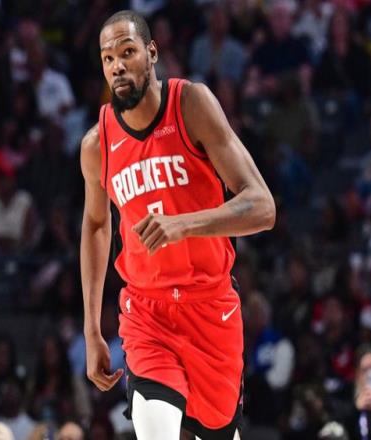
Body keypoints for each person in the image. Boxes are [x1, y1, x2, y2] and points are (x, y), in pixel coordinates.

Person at [80, 10, 275, 440]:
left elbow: (262, 207)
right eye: (108, 59)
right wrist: (92, 328)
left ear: (151, 53)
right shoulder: (97, 144)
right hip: (146, 313)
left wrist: (183, 225)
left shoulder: (191, 105)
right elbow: (95, 224)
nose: (117, 66)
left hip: (210, 306)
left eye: (127, 52)